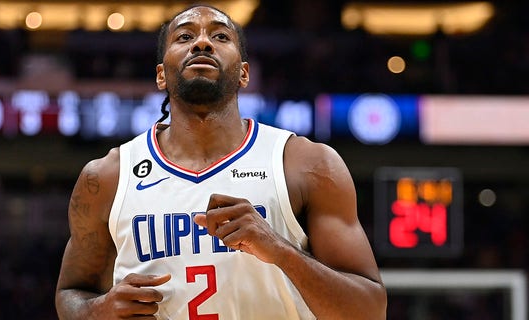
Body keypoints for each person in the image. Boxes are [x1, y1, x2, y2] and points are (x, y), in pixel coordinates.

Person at [55, 4, 387, 319]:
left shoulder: (306, 164)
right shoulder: (108, 177)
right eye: (185, 37)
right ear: (161, 75)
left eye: (220, 36)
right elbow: (70, 293)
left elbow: (370, 311)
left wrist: (281, 250)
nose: (202, 42)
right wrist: (97, 311)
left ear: (244, 73)